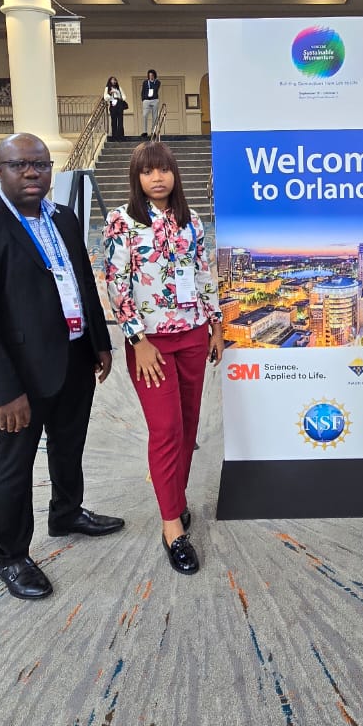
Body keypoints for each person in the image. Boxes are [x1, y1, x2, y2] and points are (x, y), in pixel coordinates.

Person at [0, 133, 122, 601]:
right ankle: (11, 555)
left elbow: (82, 279)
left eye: (40, 164)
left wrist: (99, 342)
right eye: (19, 164)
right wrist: (4, 390)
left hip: (73, 356)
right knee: (13, 464)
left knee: (69, 446)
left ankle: (66, 512)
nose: (31, 172)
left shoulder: (63, 218)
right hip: (18, 375)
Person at [103, 140, 223, 577]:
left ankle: (177, 497)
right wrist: (136, 340)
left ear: (175, 174)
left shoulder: (191, 222)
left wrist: (216, 325)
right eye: (147, 171)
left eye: (164, 170)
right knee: (166, 428)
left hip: (192, 335)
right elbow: (117, 283)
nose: (157, 178)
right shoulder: (122, 222)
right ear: (136, 178)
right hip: (150, 344)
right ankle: (171, 526)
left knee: (188, 425)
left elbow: (204, 272)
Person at [104, 76, 128, 140]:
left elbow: (124, 96)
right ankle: (114, 136)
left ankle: (120, 136)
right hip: (113, 103)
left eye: (115, 80)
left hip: (119, 103)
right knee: (114, 120)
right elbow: (105, 97)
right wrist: (110, 93)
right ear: (110, 81)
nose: (114, 81)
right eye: (112, 80)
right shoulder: (107, 88)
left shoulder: (119, 87)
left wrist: (121, 98)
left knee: (120, 120)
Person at [140, 69, 161, 138]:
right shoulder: (145, 82)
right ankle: (144, 131)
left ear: (154, 75)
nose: (150, 76)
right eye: (149, 75)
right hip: (146, 100)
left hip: (154, 100)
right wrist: (143, 99)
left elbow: (155, 88)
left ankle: (153, 131)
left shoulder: (157, 82)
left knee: (155, 116)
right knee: (144, 115)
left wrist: (153, 81)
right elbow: (143, 91)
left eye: (152, 75)